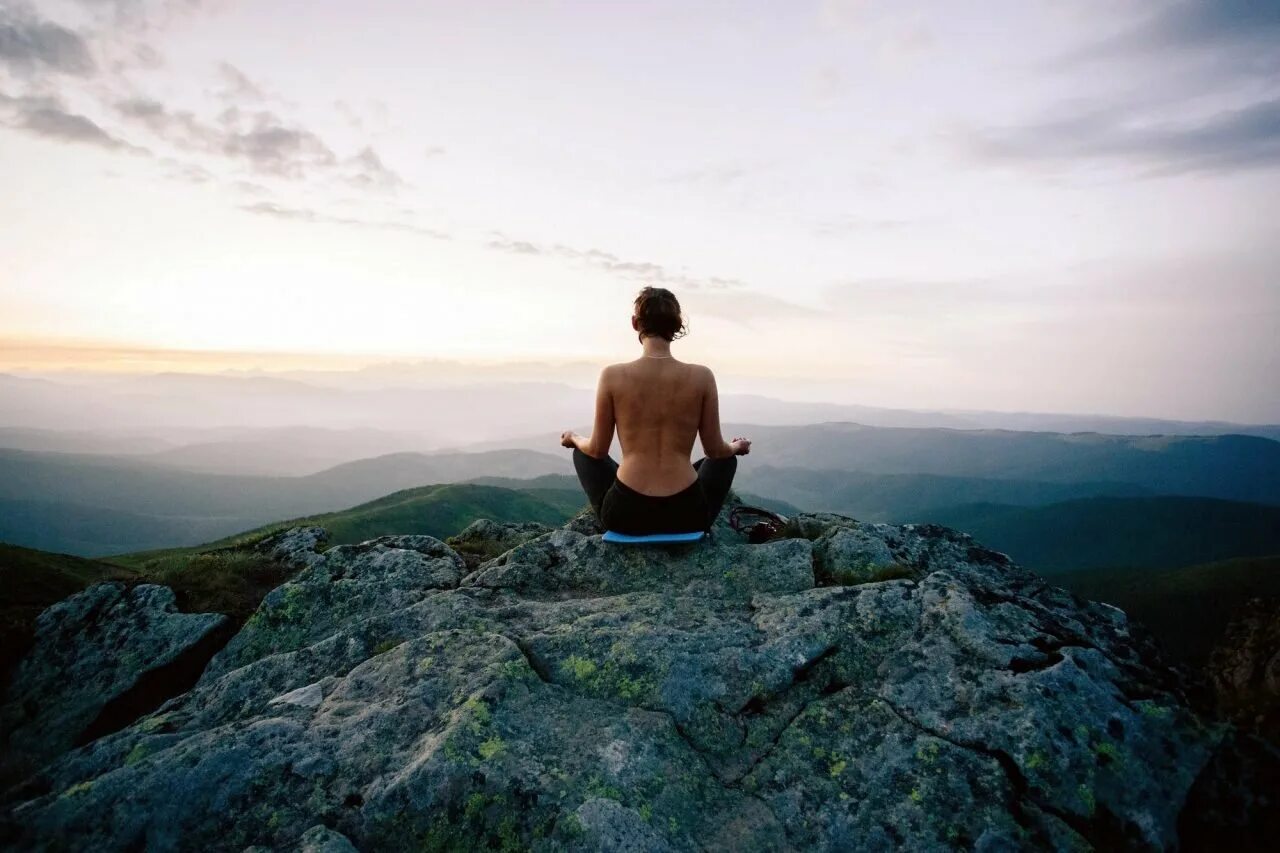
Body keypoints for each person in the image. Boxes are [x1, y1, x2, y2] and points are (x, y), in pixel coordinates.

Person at [561, 286, 751, 535]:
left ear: (635, 323)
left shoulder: (612, 376)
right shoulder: (702, 376)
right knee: (724, 460)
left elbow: (597, 450)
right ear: (677, 325)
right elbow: (715, 450)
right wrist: (736, 447)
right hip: (688, 515)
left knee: (582, 453)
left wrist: (574, 437)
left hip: (625, 515)